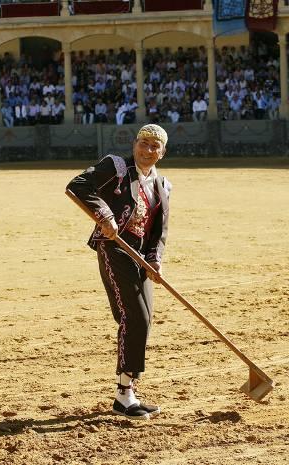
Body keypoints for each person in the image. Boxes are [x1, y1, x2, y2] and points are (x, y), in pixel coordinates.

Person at [66, 124, 171, 420]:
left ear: (162, 153)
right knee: (134, 316)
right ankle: (124, 396)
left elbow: (158, 231)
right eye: (144, 143)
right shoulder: (117, 166)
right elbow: (78, 185)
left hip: (140, 257)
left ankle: (127, 391)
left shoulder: (162, 185)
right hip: (114, 248)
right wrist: (105, 216)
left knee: (145, 319)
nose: (148, 150)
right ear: (135, 144)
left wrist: (155, 259)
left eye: (155, 147)